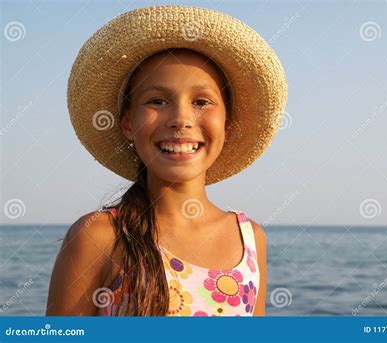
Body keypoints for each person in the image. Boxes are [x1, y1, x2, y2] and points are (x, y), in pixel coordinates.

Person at [46, 5, 288, 316]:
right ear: (127, 123)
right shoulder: (98, 236)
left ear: (226, 125)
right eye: (157, 101)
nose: (181, 119)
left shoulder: (250, 239)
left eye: (201, 102)